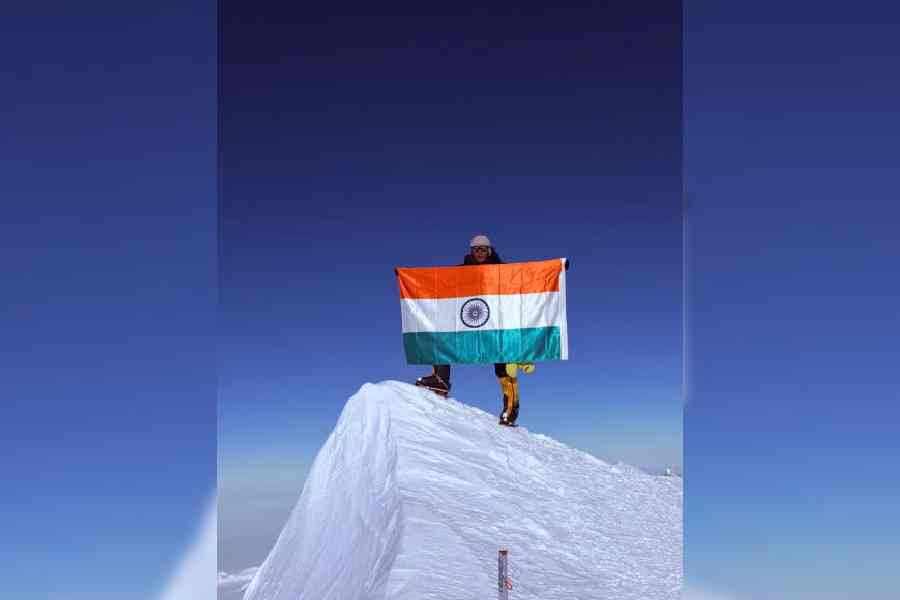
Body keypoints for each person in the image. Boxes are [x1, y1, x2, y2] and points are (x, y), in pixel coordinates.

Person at [415, 235, 531, 426]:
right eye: (476, 249)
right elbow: (439, 281)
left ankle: (511, 408)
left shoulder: (502, 270)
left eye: (483, 249)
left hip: (496, 322)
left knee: (503, 362)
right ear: (471, 251)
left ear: (489, 250)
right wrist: (411, 278)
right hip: (471, 318)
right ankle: (440, 380)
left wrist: (557, 270)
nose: (480, 253)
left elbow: (524, 278)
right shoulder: (462, 272)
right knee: (441, 332)